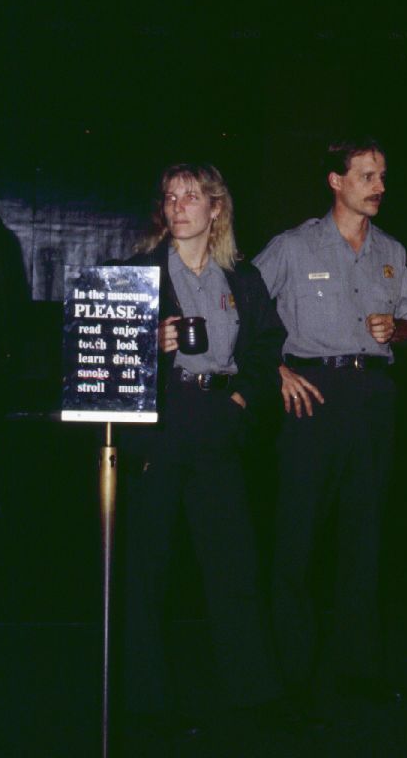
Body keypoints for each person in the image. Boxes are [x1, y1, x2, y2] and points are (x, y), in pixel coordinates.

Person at [253, 136, 407, 710]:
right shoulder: (293, 246)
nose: (380, 187)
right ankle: (291, 677)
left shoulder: (391, 251)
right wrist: (275, 370)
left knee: (365, 535)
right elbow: (243, 310)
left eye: (383, 176)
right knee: (297, 537)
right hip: (312, 399)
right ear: (336, 181)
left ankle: (361, 671)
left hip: (372, 399)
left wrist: (395, 330)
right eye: (367, 176)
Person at [117, 162, 285, 744]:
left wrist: (240, 398)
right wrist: (150, 343)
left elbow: (268, 345)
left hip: (217, 420)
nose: (179, 206)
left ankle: (254, 694)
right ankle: (146, 702)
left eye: (192, 196)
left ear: (216, 209)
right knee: (147, 567)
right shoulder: (138, 274)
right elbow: (109, 355)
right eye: (171, 197)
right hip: (162, 423)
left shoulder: (241, 277)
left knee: (233, 562)